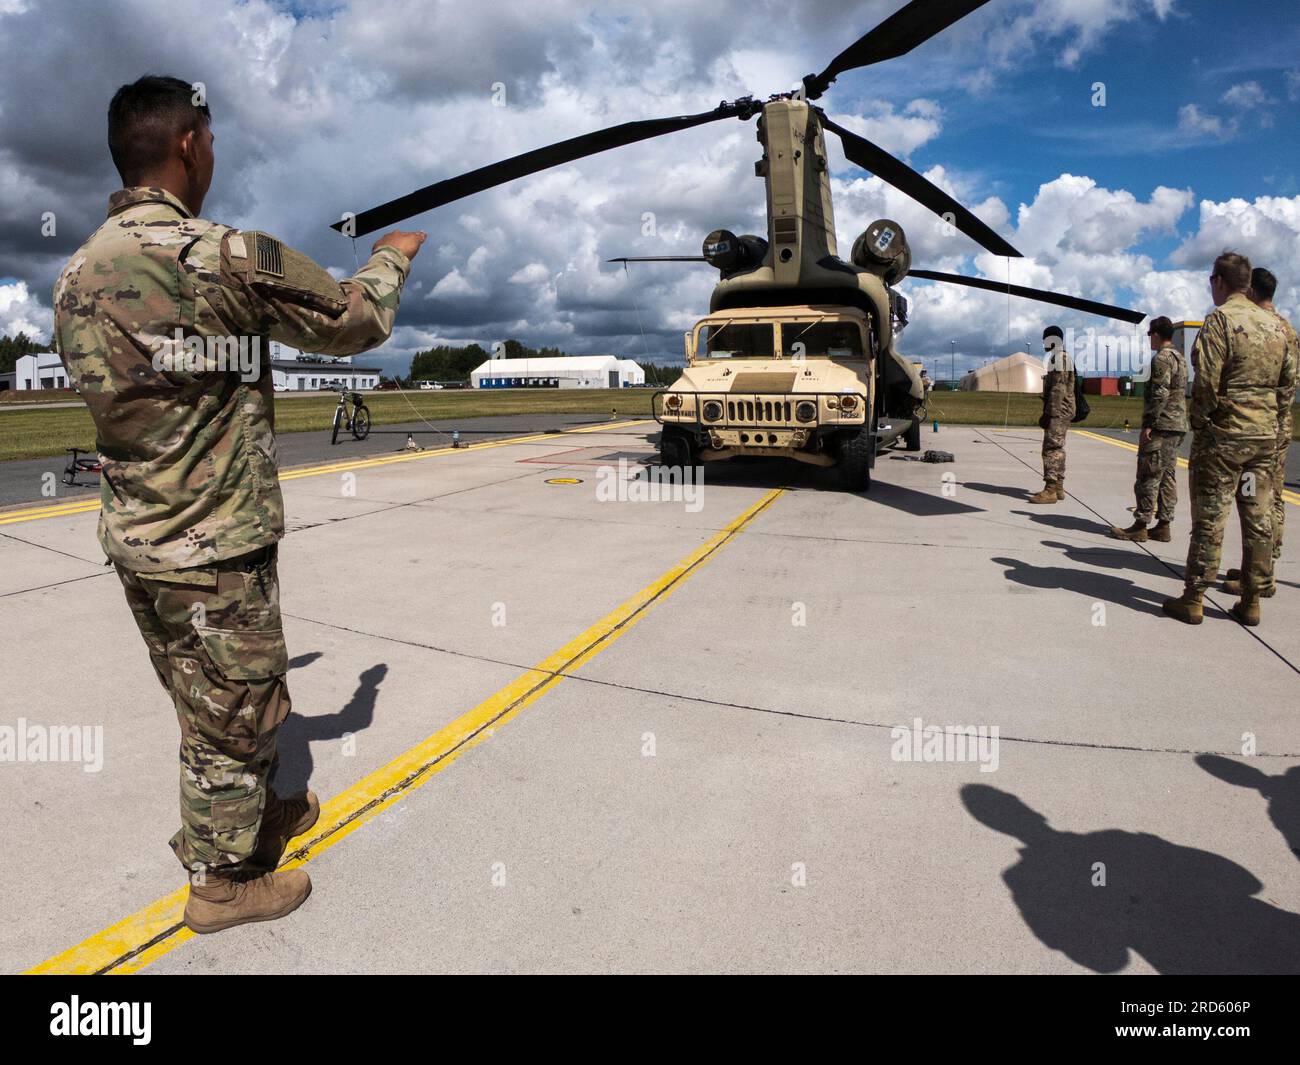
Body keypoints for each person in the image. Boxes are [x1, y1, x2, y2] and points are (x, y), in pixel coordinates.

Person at [52, 75, 427, 932]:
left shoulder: (75, 274)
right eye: (211, 141)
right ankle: (222, 885)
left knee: (206, 698)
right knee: (236, 713)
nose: (213, 154)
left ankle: (260, 819)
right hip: (216, 545)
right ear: (190, 143)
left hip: (137, 538)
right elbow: (354, 319)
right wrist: (395, 250)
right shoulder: (218, 256)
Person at [1162, 252, 1296, 626]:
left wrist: (1203, 425)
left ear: (1219, 281)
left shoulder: (1220, 320)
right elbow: (1288, 384)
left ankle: (1194, 596)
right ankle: (1252, 599)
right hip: (1263, 441)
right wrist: (1272, 420)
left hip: (1224, 441)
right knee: (1257, 517)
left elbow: (1205, 381)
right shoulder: (1275, 325)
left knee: (1211, 515)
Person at [1221, 267, 1297, 597]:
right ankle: (1259, 567)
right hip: (1277, 424)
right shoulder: (1287, 328)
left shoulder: (1259, 325)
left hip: (1260, 425)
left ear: (1250, 291)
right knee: (1265, 499)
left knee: (1259, 502)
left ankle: (1262, 574)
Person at [1109, 316, 1187, 542]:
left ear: (1155, 334)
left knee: (1148, 474)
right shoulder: (1180, 358)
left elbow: (1159, 394)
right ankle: (1164, 524)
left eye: (1149, 335)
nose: (1148, 340)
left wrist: (1150, 423)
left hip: (1161, 425)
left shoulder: (1161, 359)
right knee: (1167, 475)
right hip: (1177, 424)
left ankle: (1141, 524)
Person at [1028, 325, 1075, 504]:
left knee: (1051, 449)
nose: (1043, 343)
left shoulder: (1058, 358)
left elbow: (1058, 389)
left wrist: (1049, 414)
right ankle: (1059, 487)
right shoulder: (1063, 357)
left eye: (1044, 339)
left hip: (1058, 411)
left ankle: (1050, 490)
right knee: (1059, 448)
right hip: (1063, 410)